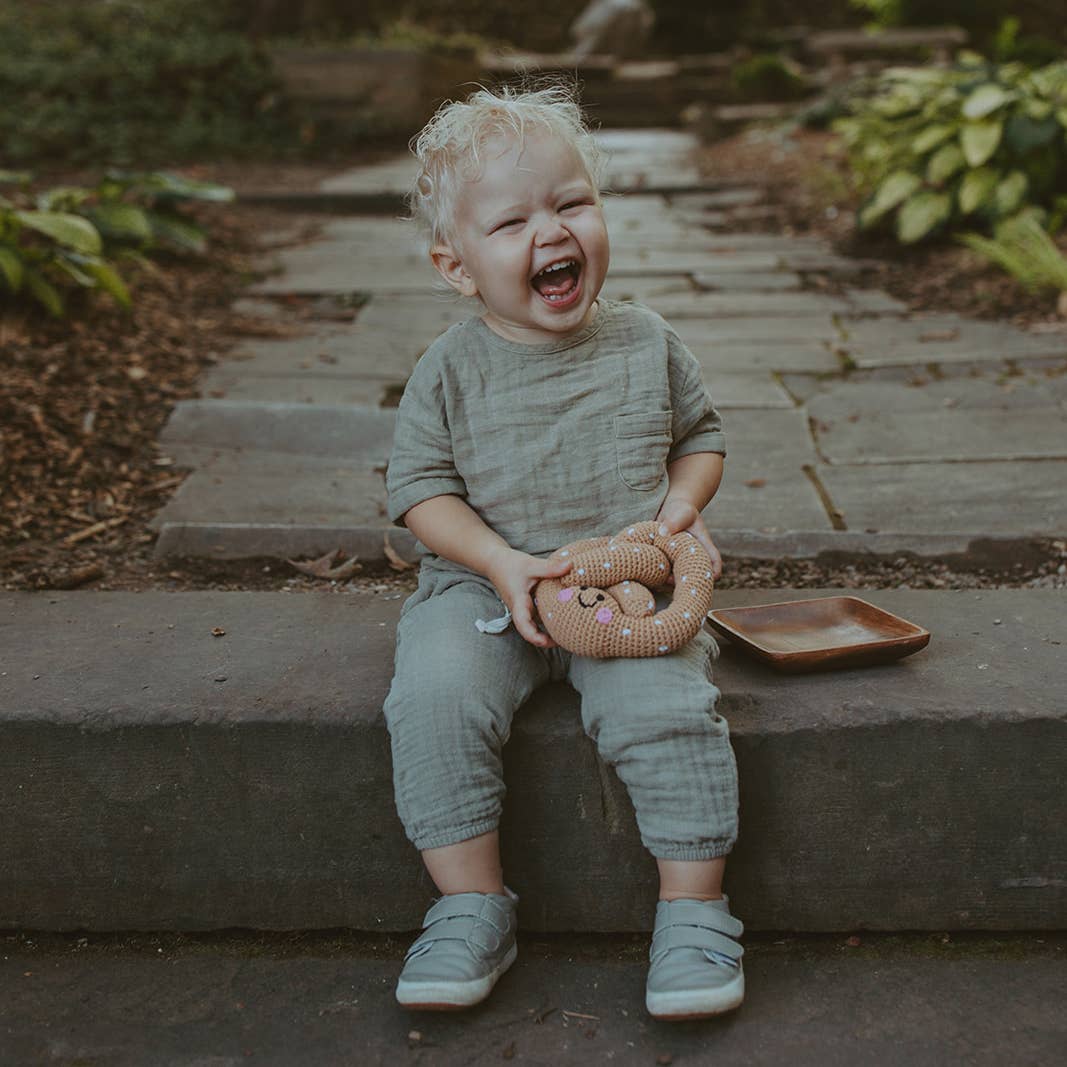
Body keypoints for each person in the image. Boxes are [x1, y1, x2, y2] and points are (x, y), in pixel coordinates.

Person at [383, 82, 743, 1020]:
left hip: (623, 592)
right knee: (433, 695)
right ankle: (469, 902)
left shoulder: (645, 342)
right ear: (456, 265)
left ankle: (696, 912)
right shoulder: (450, 370)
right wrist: (503, 562)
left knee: (666, 702)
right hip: (485, 587)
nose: (553, 231)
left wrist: (676, 509)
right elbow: (420, 491)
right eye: (512, 221)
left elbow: (700, 436)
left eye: (571, 203)